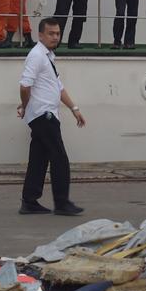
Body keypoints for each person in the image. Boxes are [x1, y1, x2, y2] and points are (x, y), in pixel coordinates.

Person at [18, 18, 86, 216]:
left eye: (57, 33)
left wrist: (74, 108)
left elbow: (58, 87)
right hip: (43, 114)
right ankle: (62, 202)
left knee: (39, 158)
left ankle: (29, 201)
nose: (55, 36)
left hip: (44, 113)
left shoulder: (48, 57)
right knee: (59, 157)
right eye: (51, 33)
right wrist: (25, 105)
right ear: (40, 35)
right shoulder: (37, 56)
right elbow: (25, 85)